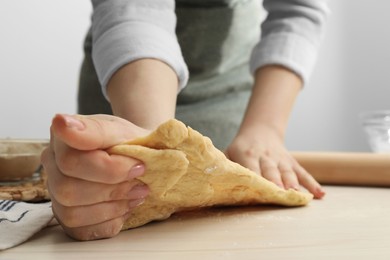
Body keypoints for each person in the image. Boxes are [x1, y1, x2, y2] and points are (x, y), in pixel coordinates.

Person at [41, 0, 329, 240]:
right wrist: (151, 147)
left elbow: (298, 10)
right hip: (129, 79)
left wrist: (264, 129)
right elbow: (139, 9)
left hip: (232, 91)